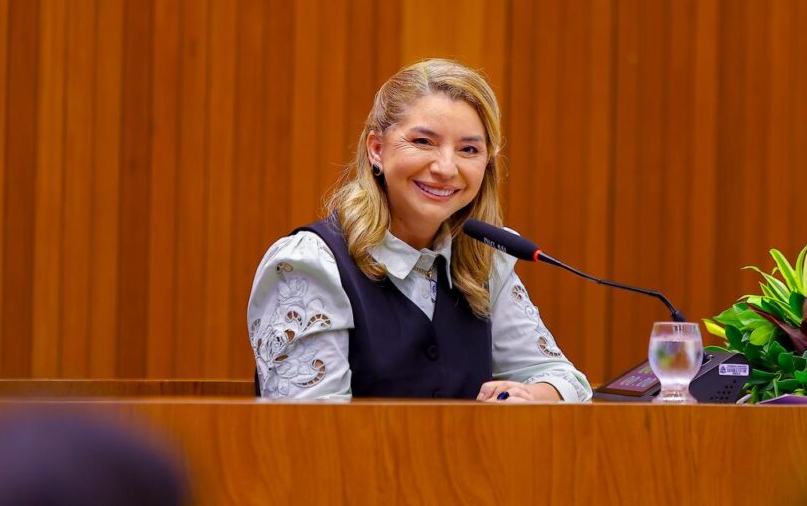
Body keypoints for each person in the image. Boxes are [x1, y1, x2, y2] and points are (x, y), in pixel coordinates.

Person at [247, 59, 591, 402]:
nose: (446, 168)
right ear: (377, 149)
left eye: (468, 149)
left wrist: (530, 396)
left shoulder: (485, 261)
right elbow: (308, 427)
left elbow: (564, 379)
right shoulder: (309, 263)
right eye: (424, 141)